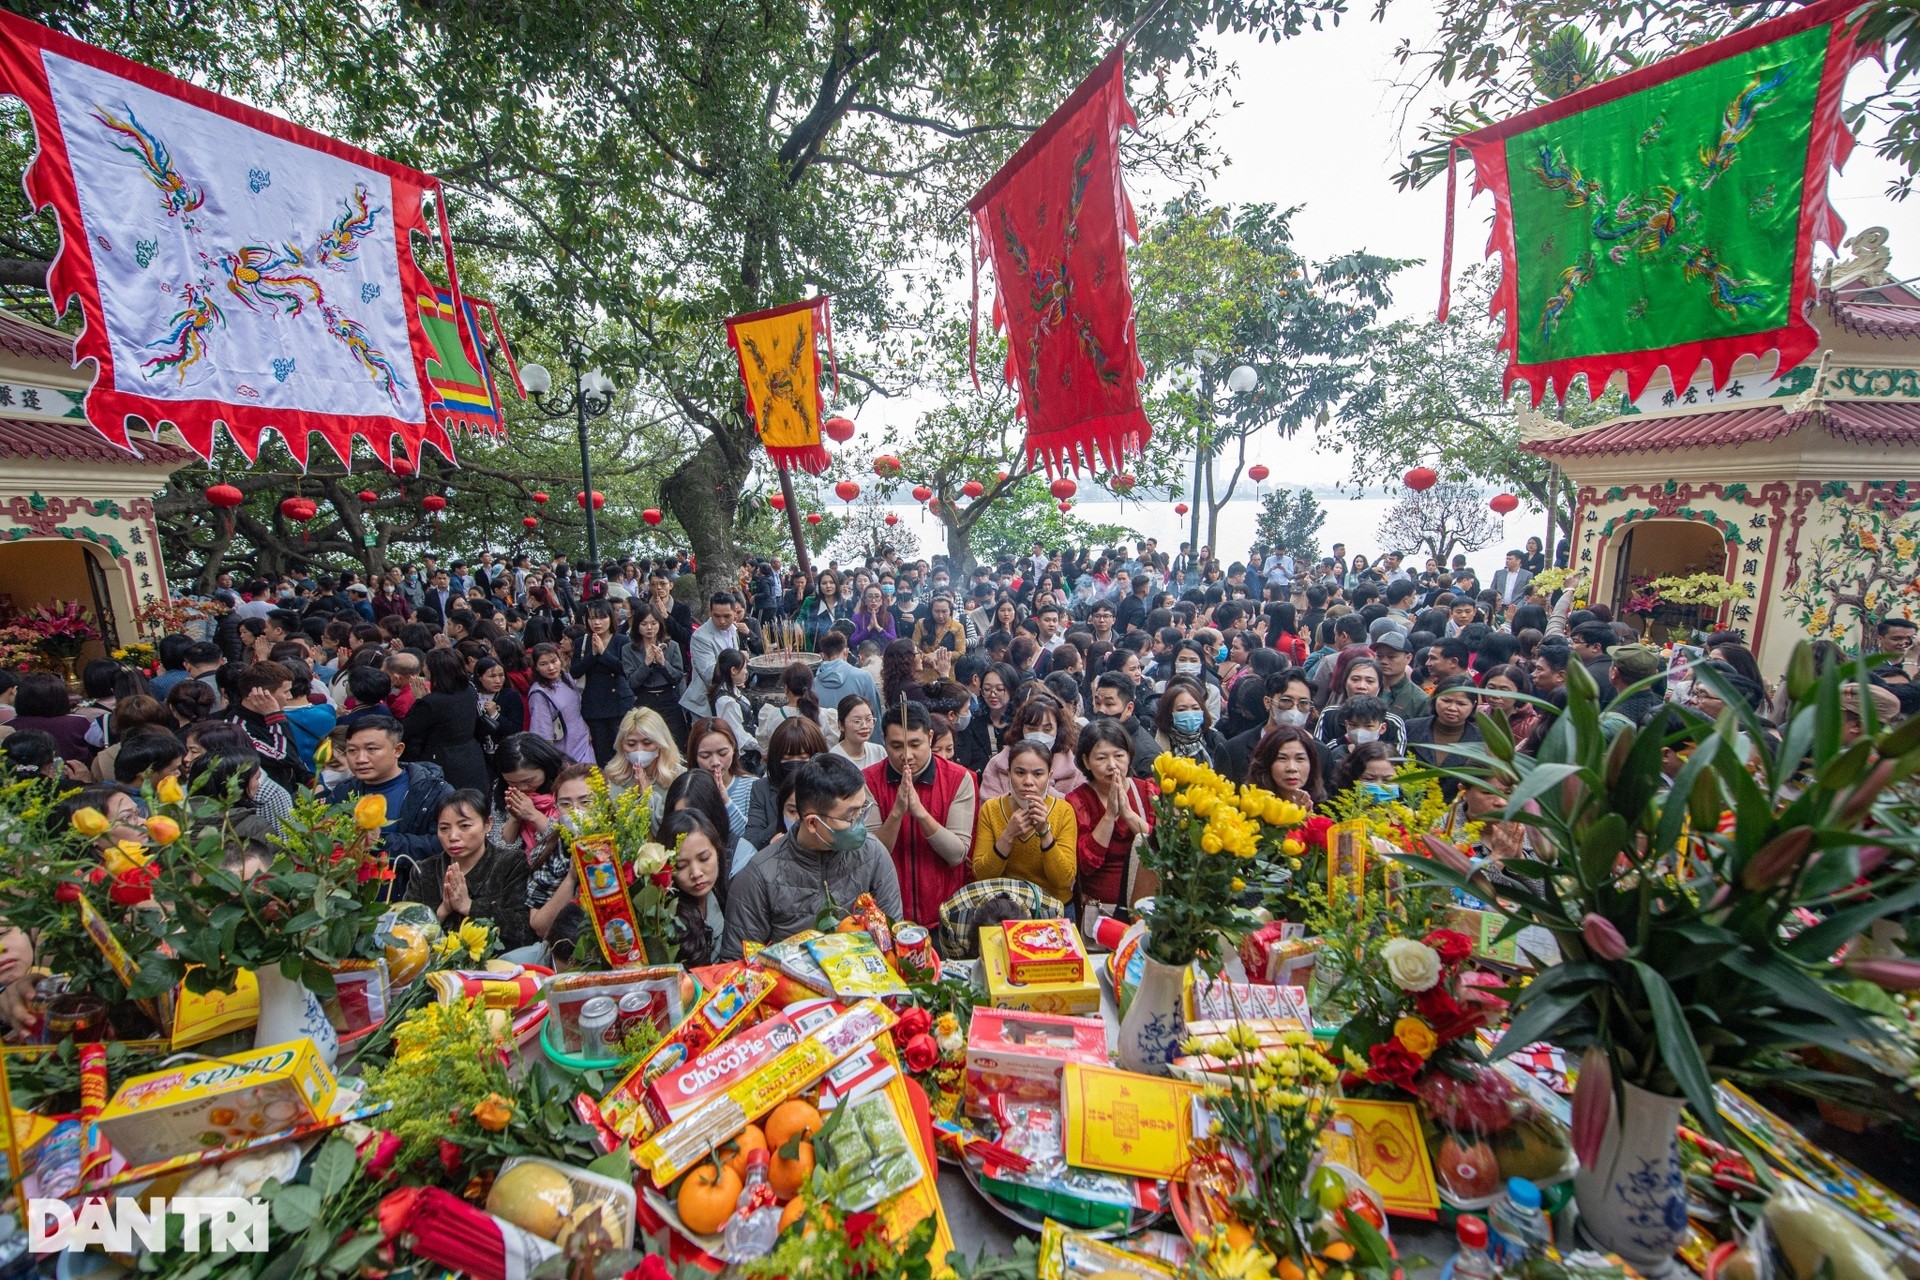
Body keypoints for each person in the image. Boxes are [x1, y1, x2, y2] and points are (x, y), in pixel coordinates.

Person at [719, 753, 902, 960]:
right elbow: (739, 963)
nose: (859, 824)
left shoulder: (873, 855)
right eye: (850, 817)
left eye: (862, 811)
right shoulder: (759, 877)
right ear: (813, 823)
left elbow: (892, 939)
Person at [864, 699, 976, 927]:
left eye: (915, 744)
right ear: (883, 742)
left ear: (931, 737)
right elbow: (869, 856)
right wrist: (896, 813)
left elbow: (957, 854)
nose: (906, 755)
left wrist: (921, 813)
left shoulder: (959, 779)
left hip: (946, 914)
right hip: (888, 915)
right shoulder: (868, 781)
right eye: (896, 746)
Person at [325, 716, 454, 899]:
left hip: (415, 899)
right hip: (354, 902)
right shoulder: (344, 792)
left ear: (398, 750)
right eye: (352, 750)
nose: (360, 759)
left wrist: (382, 841)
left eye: (371, 749)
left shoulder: (432, 792)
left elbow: (444, 844)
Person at [404, 790, 534, 952]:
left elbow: (523, 930)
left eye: (464, 826)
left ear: (488, 824)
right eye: (444, 828)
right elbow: (405, 933)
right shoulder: (424, 870)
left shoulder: (511, 863)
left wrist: (469, 907)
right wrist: (442, 911)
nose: (453, 836)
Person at [1064, 718, 1154, 914]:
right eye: (1101, 758)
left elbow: (1160, 847)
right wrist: (1110, 815)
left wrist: (1128, 814)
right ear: (1086, 761)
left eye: (1119, 756)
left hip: (1147, 904)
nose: (1112, 765)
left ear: (1129, 756)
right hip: (1098, 907)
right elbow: (1085, 863)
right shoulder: (1077, 800)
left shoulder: (1147, 790)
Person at [971, 739, 1077, 903]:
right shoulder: (991, 809)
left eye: (1038, 774)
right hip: (1005, 905)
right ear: (1008, 773)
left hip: (1052, 907)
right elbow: (981, 875)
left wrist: (1044, 832)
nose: (1028, 781)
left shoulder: (1064, 811)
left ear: (1049, 776)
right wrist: (1008, 835)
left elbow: (1064, 880)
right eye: (1020, 773)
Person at [526, 764, 597, 958]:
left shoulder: (623, 842)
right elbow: (540, 927)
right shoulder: (547, 850)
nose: (576, 811)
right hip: (561, 951)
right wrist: (571, 879)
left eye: (586, 802)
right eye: (566, 804)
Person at [402, 648, 488, 793]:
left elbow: (408, 730)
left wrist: (420, 701)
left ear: (434, 670)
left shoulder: (430, 702)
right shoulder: (468, 690)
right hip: (471, 756)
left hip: (443, 761)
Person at [979, 694, 1085, 798]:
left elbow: (1079, 810)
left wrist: (1046, 791)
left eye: (1047, 730)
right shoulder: (998, 765)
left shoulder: (1074, 770)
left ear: (1058, 731)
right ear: (1021, 728)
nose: (1039, 735)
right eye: (1032, 729)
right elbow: (987, 810)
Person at [660, 808, 727, 968]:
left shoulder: (725, 895)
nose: (696, 873)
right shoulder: (663, 920)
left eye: (704, 858)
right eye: (681, 866)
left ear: (718, 851)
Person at [571, 600, 635, 764]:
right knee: (602, 756)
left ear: (610, 619)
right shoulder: (582, 642)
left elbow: (625, 670)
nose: (597, 623)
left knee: (623, 752)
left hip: (619, 704)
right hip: (594, 707)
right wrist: (592, 655)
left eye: (601, 618)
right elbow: (575, 671)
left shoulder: (621, 640)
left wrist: (603, 653)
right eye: (592, 618)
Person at [1404, 675, 1483, 796]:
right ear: (1435, 698)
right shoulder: (1410, 728)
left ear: (1473, 705)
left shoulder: (1481, 741)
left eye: (1461, 704)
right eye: (1446, 701)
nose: (1452, 708)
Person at [622, 603, 687, 745]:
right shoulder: (628, 649)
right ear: (637, 626)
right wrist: (646, 664)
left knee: (677, 742)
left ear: (660, 624)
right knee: (649, 742)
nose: (649, 628)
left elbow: (677, 677)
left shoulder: (672, 646)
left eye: (653, 623)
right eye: (644, 624)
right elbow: (632, 682)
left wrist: (663, 663)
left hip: (669, 698)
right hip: (645, 700)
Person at [687, 715, 758, 837]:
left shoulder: (754, 786)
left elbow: (751, 838)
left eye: (723, 753)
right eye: (705, 755)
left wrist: (725, 801)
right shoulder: (687, 788)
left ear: (734, 750)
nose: (715, 762)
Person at [680, 592, 742, 723]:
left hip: (729, 695)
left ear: (735, 612)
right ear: (710, 612)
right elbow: (709, 675)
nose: (722, 621)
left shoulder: (733, 630)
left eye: (727, 616)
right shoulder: (700, 637)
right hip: (706, 702)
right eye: (717, 616)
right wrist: (738, 672)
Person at [601, 706, 685, 804]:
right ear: (621, 745)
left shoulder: (680, 777)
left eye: (647, 743)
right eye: (631, 744)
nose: (639, 750)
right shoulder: (611, 778)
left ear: (661, 743)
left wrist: (648, 797)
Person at [528, 642, 594, 764]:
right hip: (564, 751)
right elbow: (542, 731)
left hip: (584, 741)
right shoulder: (539, 693)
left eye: (554, 661)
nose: (551, 667)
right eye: (544, 664)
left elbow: (577, 709)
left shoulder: (566, 677)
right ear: (536, 667)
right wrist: (556, 760)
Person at [1154, 676, 1231, 771]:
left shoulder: (1214, 738)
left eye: (1195, 708)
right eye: (1182, 710)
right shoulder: (1156, 742)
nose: (1190, 714)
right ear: (1169, 713)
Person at [1250, 723, 1325, 808]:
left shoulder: (1327, 810)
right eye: (1282, 758)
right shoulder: (1251, 809)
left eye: (1300, 759)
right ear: (1266, 763)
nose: (1291, 768)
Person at [1329, 741, 1401, 807]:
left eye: (1388, 780)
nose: (1379, 786)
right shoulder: (1335, 812)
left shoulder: (1408, 815)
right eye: (1369, 779)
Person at [833, 695, 886, 768]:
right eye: (857, 721)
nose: (864, 726)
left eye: (869, 719)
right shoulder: (833, 759)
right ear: (841, 725)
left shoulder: (879, 751)